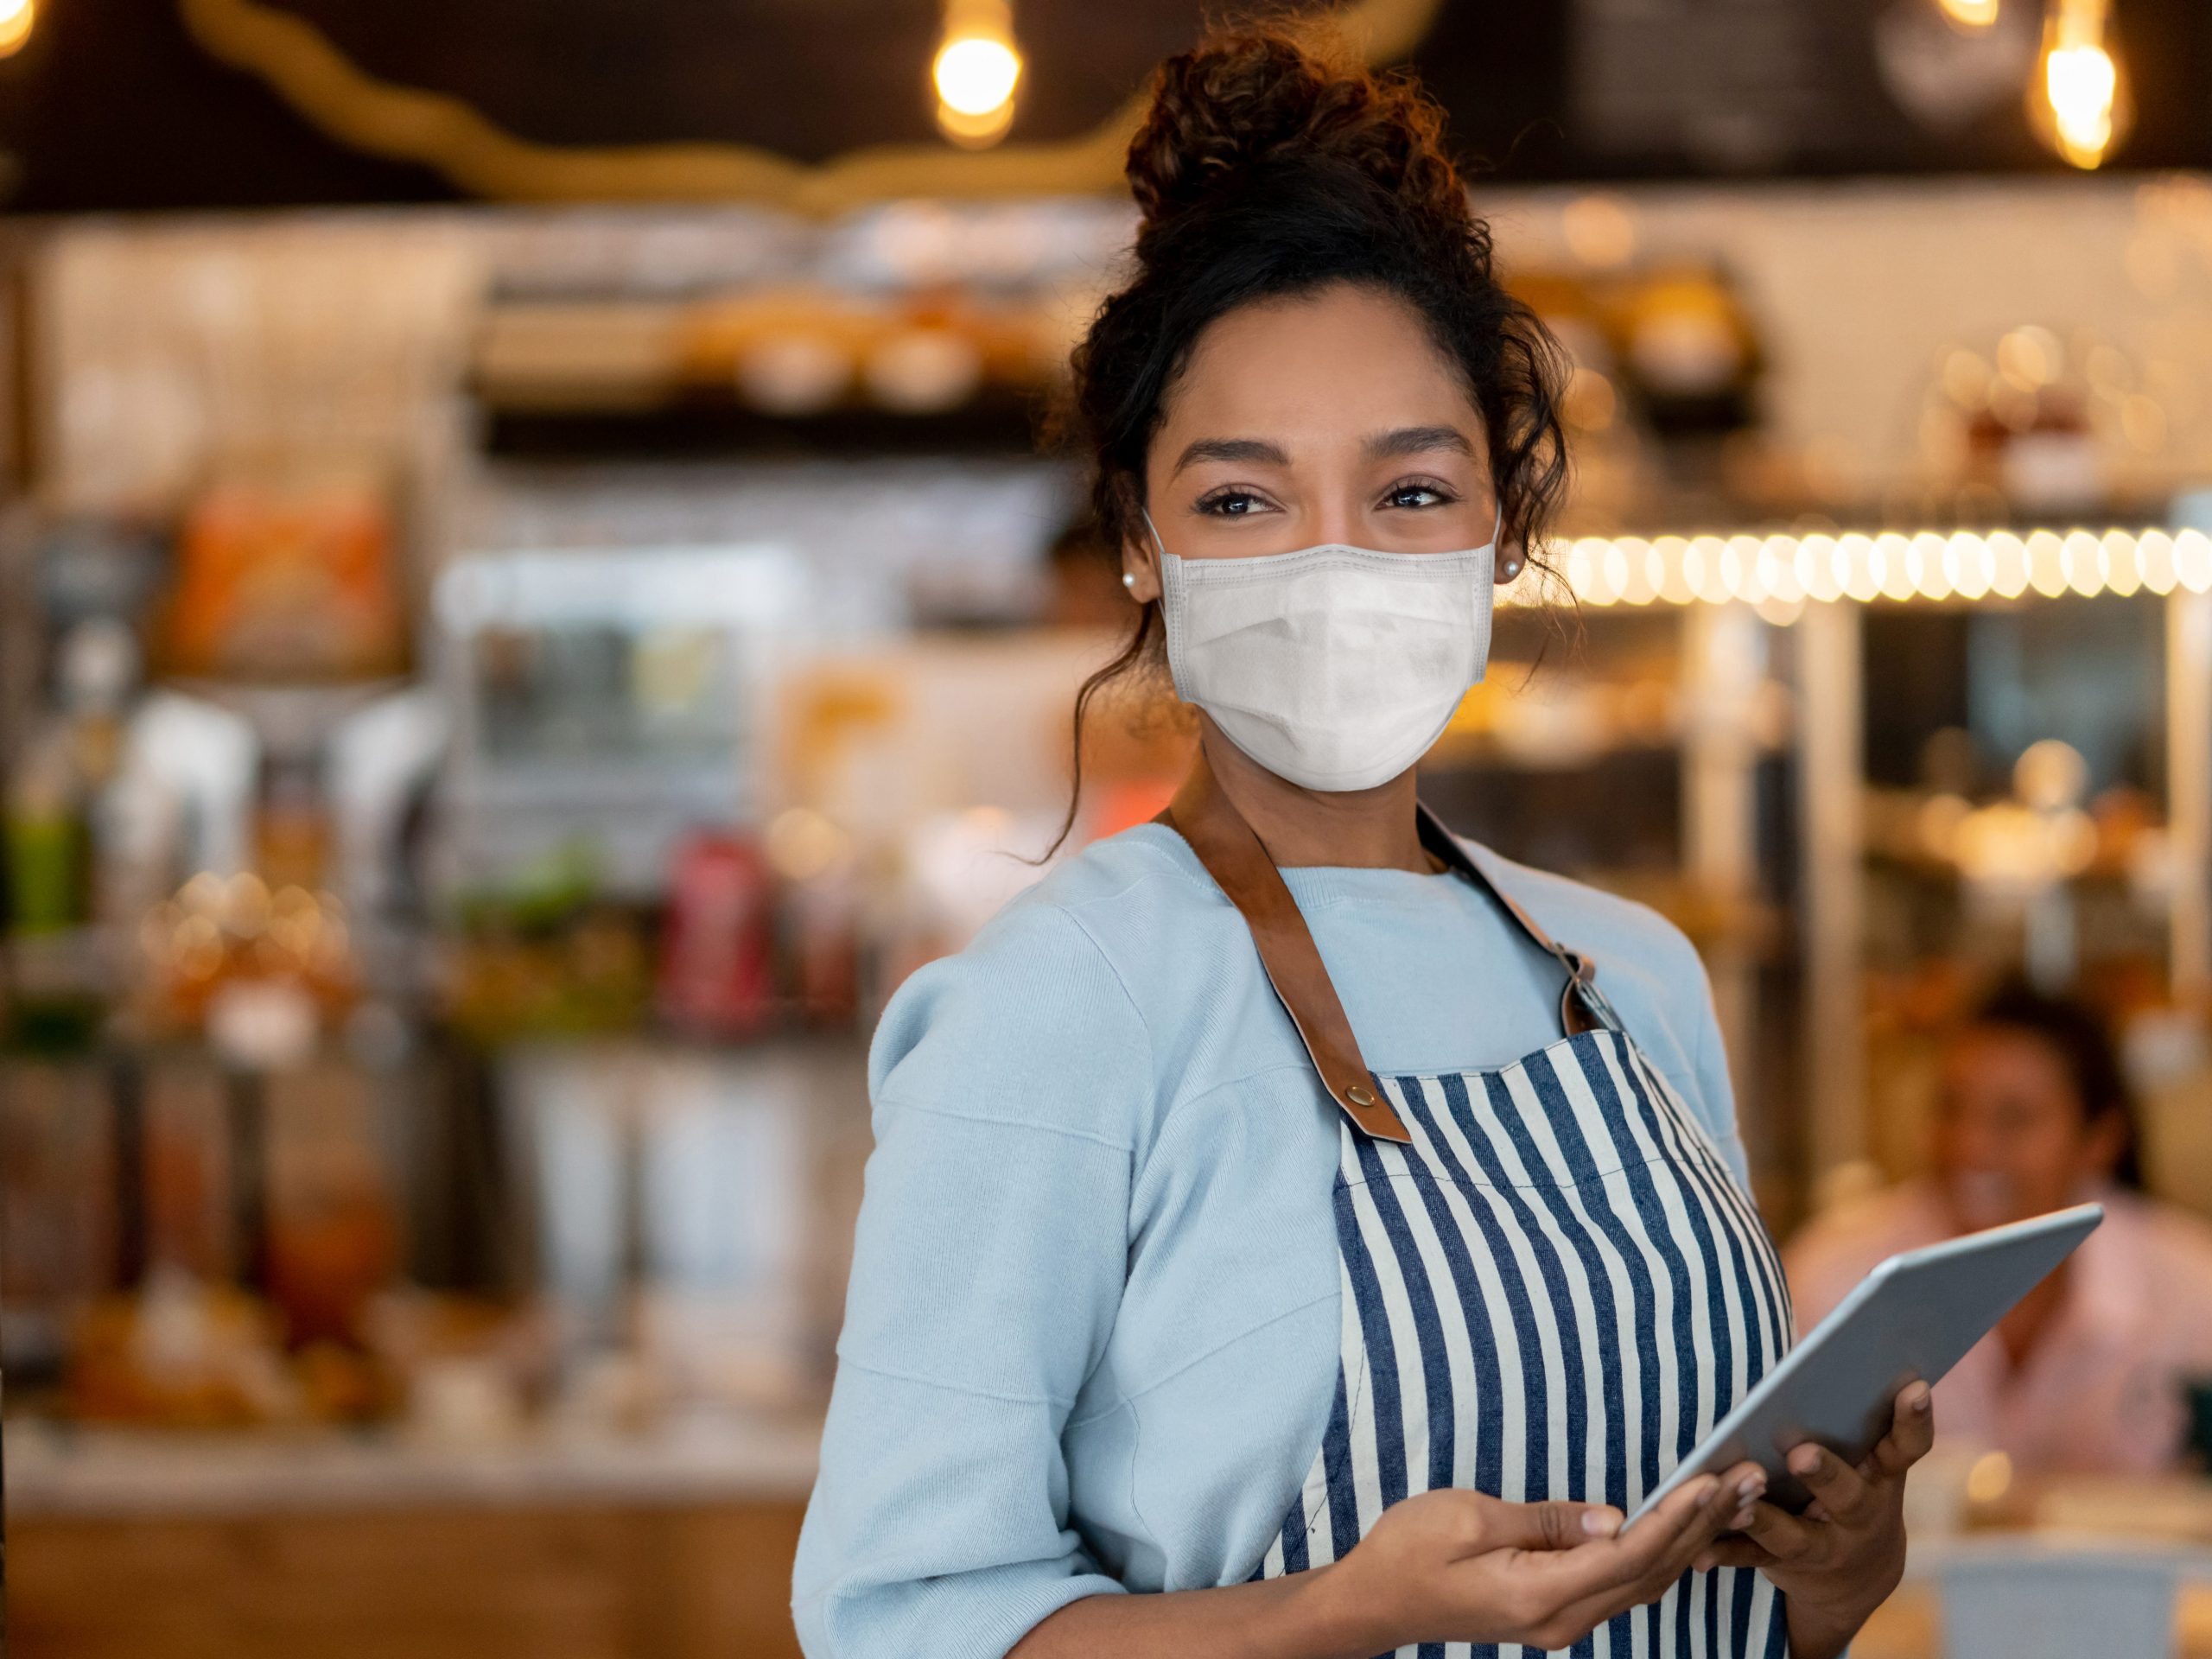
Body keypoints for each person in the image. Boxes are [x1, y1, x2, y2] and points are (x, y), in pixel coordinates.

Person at [793, 27, 1928, 1659]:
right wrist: (1327, 1619)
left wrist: (1822, 1588)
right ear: (1140, 539)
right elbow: (898, 1626)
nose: (1332, 564)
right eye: (1245, 502)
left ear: (1503, 526)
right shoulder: (1061, 1001)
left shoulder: (1640, 984)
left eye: (1408, 492)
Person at [1788, 978, 2212, 1476]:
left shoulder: (2189, 1287)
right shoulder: (1836, 1274)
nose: (1969, 1147)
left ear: (2101, 1139)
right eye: (1950, 1109)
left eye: (2014, 1119)